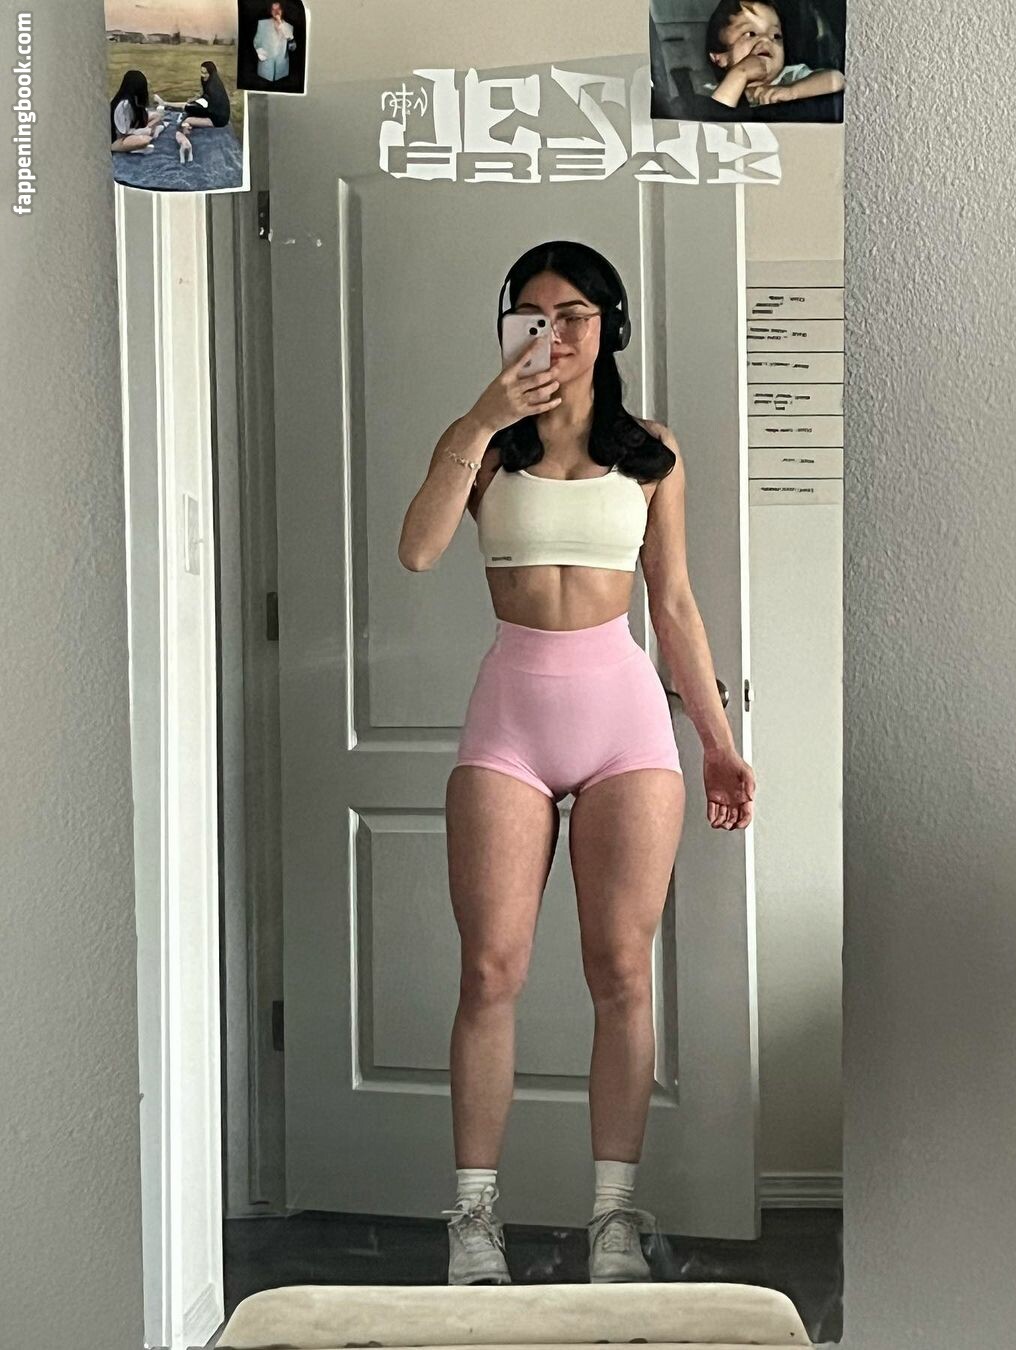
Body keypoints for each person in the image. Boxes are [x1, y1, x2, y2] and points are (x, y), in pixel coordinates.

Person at [398, 241, 756, 1286]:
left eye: (574, 315)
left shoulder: (652, 453)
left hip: (625, 725)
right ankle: (474, 1221)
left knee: (621, 973)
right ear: (508, 327)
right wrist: (479, 417)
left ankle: (613, 1221)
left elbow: (674, 605)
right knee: (489, 971)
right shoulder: (483, 448)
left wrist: (718, 743)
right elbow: (417, 550)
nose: (553, 333)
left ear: (610, 327)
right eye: (532, 315)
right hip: (511, 719)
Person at [705, 0, 845, 109]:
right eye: (751, 34)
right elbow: (714, 122)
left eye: (776, 36)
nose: (767, 40)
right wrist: (740, 73)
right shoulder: (713, 92)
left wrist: (792, 91)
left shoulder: (791, 77)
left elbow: (836, 79)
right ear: (719, 57)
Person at [159, 60, 233, 134]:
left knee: (187, 120)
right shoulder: (209, 81)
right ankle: (165, 103)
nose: (203, 75)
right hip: (211, 111)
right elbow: (204, 99)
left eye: (205, 73)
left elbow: (207, 110)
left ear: (211, 73)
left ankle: (184, 136)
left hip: (217, 119)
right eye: (202, 72)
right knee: (188, 106)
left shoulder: (213, 88)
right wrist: (193, 103)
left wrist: (191, 109)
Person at [109, 69, 165, 153]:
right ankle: (138, 145)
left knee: (157, 116)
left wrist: (146, 127)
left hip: (132, 128)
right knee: (145, 140)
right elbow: (123, 132)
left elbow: (142, 116)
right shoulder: (123, 105)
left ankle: (150, 133)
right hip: (119, 138)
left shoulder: (134, 100)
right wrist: (144, 131)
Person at [254, 2, 297, 82]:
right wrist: (259, 51)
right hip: (265, 70)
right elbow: (257, 41)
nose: (276, 12)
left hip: (281, 71)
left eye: (278, 9)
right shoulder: (262, 24)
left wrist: (281, 25)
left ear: (282, 10)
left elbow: (292, 48)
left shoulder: (289, 27)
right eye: (273, 9)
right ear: (270, 11)